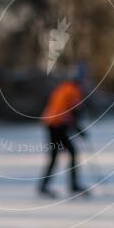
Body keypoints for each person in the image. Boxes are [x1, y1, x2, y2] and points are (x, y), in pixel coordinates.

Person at [39, 70, 88, 198]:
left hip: (52, 124)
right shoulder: (74, 91)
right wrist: (79, 130)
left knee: (57, 155)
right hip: (57, 125)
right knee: (70, 153)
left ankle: (44, 186)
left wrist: (76, 128)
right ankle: (73, 185)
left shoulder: (63, 88)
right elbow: (73, 112)